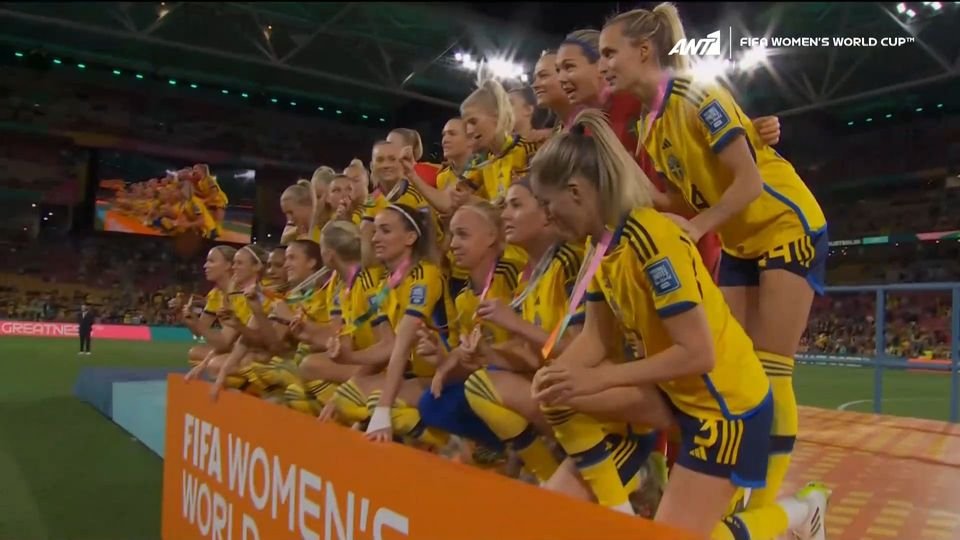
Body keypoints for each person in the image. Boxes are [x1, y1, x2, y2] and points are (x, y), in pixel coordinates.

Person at [528, 108, 825, 539]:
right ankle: (623, 503)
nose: (545, 217)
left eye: (546, 204)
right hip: (678, 398)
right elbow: (596, 338)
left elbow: (698, 354)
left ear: (575, 191)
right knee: (560, 394)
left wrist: (599, 378)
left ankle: (800, 511)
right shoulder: (601, 248)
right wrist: (558, 377)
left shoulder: (652, 239)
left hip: (726, 411)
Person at [600, 5, 830, 539]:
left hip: (785, 224)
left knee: (773, 369)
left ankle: (771, 508)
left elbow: (749, 182)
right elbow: (677, 199)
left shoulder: (697, 96)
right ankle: (761, 504)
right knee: (739, 369)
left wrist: (697, 226)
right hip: (741, 240)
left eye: (610, 52)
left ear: (643, 50)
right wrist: (616, 164)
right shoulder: (649, 126)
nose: (604, 63)